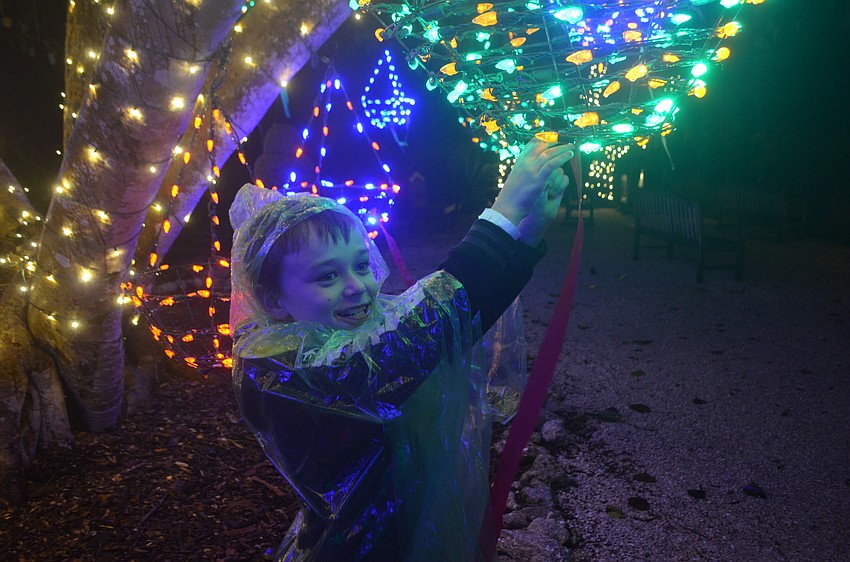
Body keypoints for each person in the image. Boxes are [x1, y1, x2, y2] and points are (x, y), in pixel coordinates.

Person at [229, 139, 575, 561]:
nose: (357, 286)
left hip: (405, 531)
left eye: (360, 265)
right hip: (356, 548)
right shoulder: (277, 369)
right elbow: (415, 335)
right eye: (326, 277)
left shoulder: (352, 337)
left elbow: (451, 326)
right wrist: (501, 217)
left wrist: (525, 234)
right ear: (273, 300)